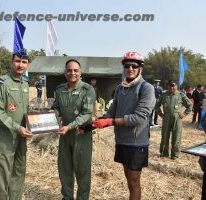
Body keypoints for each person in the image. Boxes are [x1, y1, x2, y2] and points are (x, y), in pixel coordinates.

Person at [92, 51, 156, 200]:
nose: (130, 69)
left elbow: (139, 117)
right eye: (127, 66)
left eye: (134, 66)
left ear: (141, 68)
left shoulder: (146, 88)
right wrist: (94, 123)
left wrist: (110, 122)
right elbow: (111, 112)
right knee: (128, 178)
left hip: (136, 142)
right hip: (121, 140)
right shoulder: (121, 88)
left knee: (134, 182)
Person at [51, 59, 96, 200]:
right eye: (69, 70)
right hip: (64, 136)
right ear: (65, 73)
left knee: (82, 171)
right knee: (64, 169)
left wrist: (69, 126)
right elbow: (56, 107)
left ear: (80, 72)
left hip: (81, 135)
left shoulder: (88, 90)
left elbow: (87, 114)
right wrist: (53, 118)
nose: (72, 73)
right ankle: (67, 197)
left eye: (75, 70)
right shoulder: (59, 89)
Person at [0, 49, 32, 199]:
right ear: (11, 62)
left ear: (28, 64)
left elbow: (26, 110)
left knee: (19, 170)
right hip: (5, 135)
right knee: (2, 172)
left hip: (22, 136)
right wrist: (17, 128)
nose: (20, 65)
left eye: (24, 62)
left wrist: (34, 123)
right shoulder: (1, 83)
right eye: (17, 61)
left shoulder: (26, 84)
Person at [155, 80, 192, 160]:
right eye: (170, 86)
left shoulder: (181, 95)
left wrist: (184, 114)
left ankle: (175, 155)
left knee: (176, 137)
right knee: (165, 137)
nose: (172, 87)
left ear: (176, 86)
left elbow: (190, 106)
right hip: (166, 119)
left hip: (177, 119)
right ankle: (164, 153)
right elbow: (156, 106)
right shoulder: (164, 95)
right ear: (168, 87)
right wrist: (161, 114)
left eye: (174, 86)